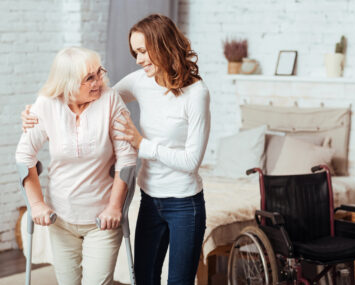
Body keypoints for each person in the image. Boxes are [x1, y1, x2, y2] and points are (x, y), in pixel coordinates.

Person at [22, 14, 210, 285]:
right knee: (145, 279)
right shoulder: (141, 80)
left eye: (143, 51)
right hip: (150, 199)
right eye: (136, 52)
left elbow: (191, 161)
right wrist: (36, 112)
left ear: (164, 45)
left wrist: (142, 144)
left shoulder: (197, 94)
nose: (139, 60)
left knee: (179, 281)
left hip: (184, 203)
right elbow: (93, 96)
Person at [16, 47, 137, 285]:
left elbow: (127, 158)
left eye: (99, 73)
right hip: (60, 217)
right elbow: (24, 156)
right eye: (89, 78)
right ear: (68, 83)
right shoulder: (46, 105)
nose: (98, 82)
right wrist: (37, 204)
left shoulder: (110, 100)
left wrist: (114, 207)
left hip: (102, 219)